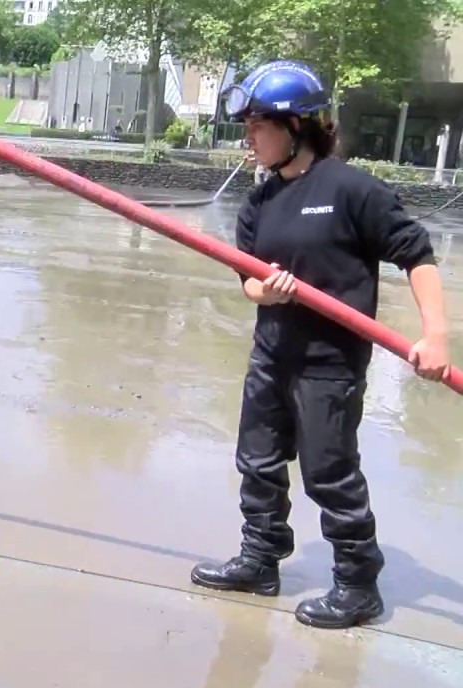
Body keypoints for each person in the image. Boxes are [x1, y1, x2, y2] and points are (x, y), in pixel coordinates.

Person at [189, 60, 452, 629]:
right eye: (249, 126)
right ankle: (260, 560)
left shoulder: (352, 190)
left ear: (297, 126)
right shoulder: (258, 203)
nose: (249, 137)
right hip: (271, 354)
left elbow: (417, 255)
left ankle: (358, 585)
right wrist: (270, 292)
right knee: (256, 462)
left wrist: (435, 336)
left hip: (329, 364)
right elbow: (250, 284)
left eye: (258, 124)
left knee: (328, 473)